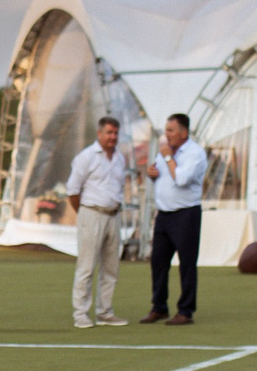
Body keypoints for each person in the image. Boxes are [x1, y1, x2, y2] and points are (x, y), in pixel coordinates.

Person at [140, 112, 206, 328]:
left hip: (186, 214)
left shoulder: (195, 153)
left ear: (183, 133)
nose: (166, 135)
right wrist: (152, 173)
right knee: (158, 262)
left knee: (186, 263)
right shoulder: (165, 151)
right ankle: (159, 306)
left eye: (170, 130)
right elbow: (163, 176)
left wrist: (168, 158)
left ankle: (185, 311)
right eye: (166, 130)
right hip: (164, 214)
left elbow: (181, 179)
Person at [65, 116, 127, 329]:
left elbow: (119, 187)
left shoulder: (119, 158)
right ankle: (80, 313)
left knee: (111, 267)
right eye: (109, 132)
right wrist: (84, 213)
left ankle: (105, 312)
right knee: (87, 266)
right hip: (92, 213)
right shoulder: (86, 157)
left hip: (113, 215)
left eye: (116, 133)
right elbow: (73, 190)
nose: (113, 137)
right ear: (99, 134)